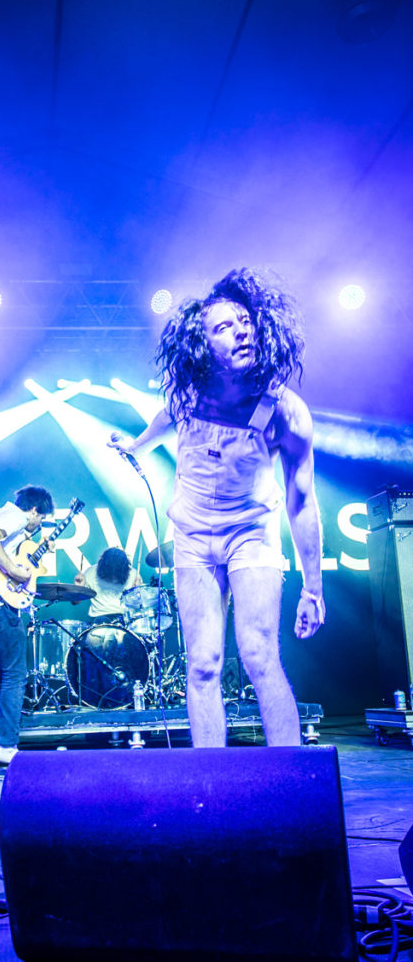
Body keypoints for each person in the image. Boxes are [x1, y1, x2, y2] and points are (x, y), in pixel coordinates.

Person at [110, 267, 325, 748]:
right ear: (203, 345)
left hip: (252, 533)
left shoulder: (285, 410)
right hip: (193, 536)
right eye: (223, 327)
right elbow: (162, 421)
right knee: (203, 664)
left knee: (258, 655)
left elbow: (302, 499)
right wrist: (137, 447)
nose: (240, 331)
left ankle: (290, 781)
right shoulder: (187, 394)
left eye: (245, 321)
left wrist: (313, 586)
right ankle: (211, 785)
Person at [0, 484, 54, 764]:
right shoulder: (13, 516)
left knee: (1, 677)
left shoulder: (8, 520)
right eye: (40, 518)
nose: (39, 523)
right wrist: (12, 569)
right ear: (33, 510)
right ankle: (7, 746)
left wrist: (38, 548)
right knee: (15, 675)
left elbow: (11, 540)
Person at [74, 547, 141, 624]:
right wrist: (79, 588)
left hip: (123, 618)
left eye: (116, 571)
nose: (113, 576)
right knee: (101, 620)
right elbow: (76, 602)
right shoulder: (90, 572)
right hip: (99, 616)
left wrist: (136, 592)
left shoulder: (134, 575)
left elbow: (138, 607)